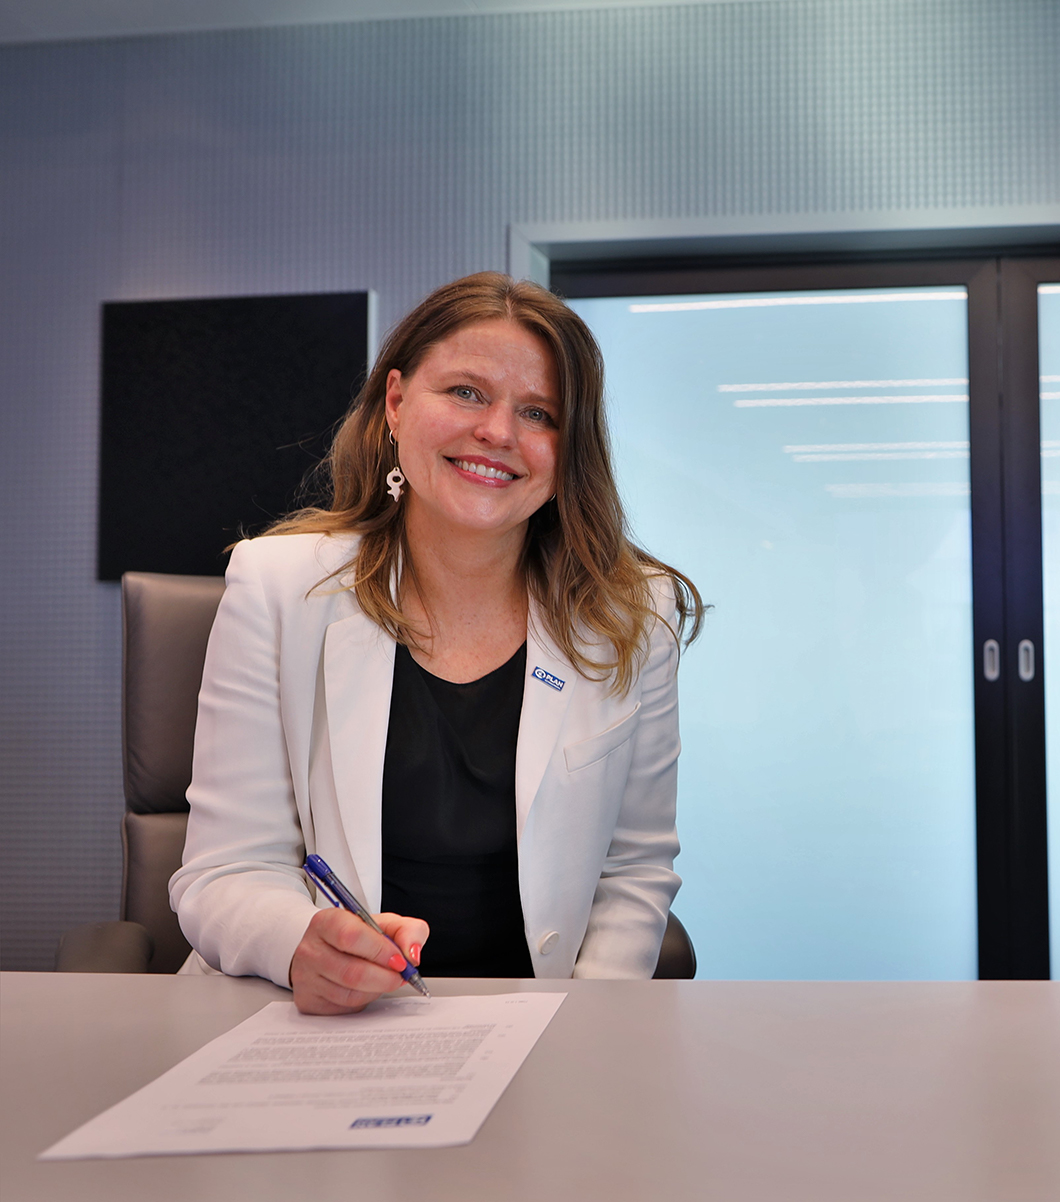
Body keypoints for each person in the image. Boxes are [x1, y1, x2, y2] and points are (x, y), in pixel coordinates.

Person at [171, 272, 701, 1014]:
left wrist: (584, 1031)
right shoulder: (279, 586)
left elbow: (633, 870)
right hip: (310, 1023)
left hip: (535, 1033)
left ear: (568, 447)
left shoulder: (632, 617)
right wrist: (301, 945)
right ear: (394, 403)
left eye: (539, 412)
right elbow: (225, 870)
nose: (497, 433)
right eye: (465, 392)